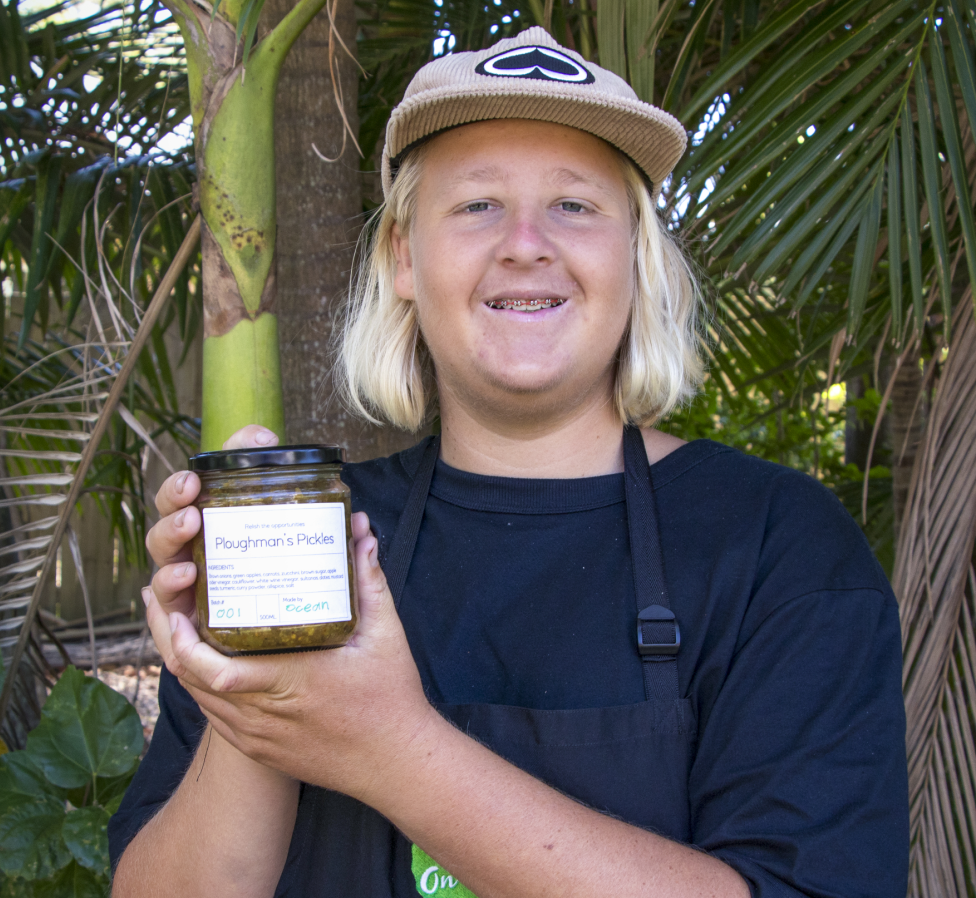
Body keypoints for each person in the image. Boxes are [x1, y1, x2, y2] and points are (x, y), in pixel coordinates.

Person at [109, 26, 908, 898]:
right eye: (477, 204)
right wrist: (255, 672)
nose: (526, 242)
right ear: (404, 257)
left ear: (635, 256)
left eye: (575, 205)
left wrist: (392, 749)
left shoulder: (779, 549)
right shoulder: (312, 543)